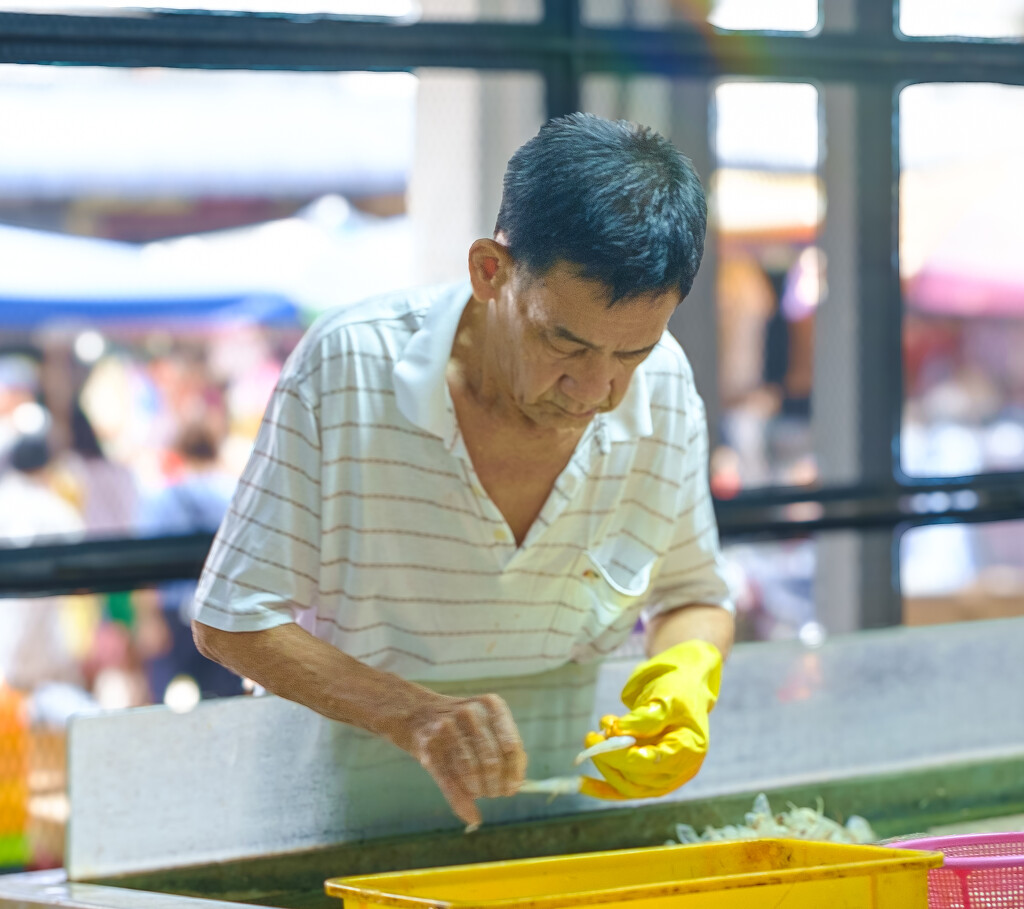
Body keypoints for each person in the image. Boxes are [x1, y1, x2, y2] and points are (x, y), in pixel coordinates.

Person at [192, 113, 736, 829]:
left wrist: (687, 677)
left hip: (556, 815)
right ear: (490, 271)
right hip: (332, 821)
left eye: (630, 352)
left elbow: (693, 593)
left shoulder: (664, 387)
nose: (596, 389)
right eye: (562, 342)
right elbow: (231, 619)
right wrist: (410, 713)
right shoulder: (349, 366)